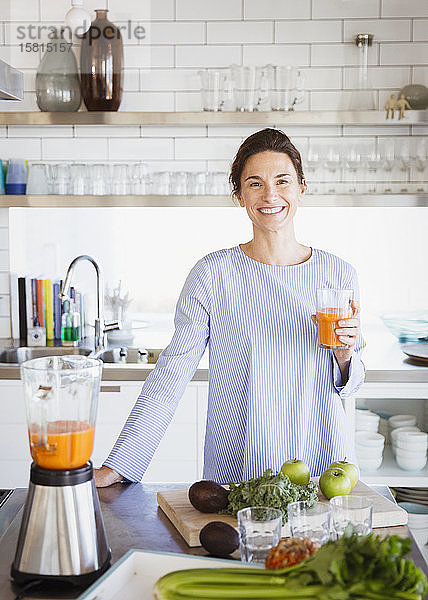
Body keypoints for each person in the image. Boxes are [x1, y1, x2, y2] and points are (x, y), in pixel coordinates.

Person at [95, 128, 365, 488]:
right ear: (239, 195)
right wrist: (122, 464)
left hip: (320, 467)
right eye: (254, 183)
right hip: (240, 468)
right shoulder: (213, 274)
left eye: (282, 181)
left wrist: (346, 356)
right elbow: (171, 374)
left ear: (302, 188)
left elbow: (352, 383)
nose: (270, 194)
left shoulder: (338, 274)